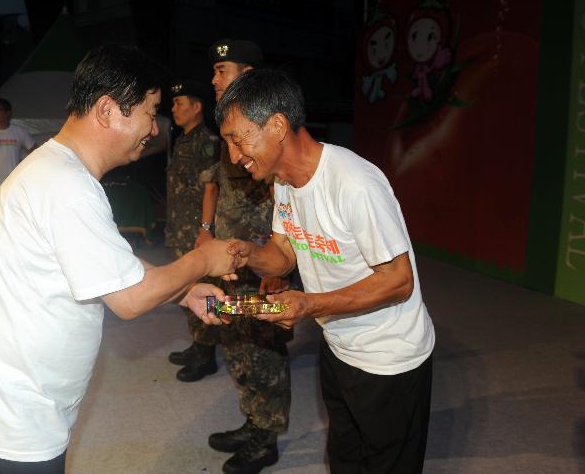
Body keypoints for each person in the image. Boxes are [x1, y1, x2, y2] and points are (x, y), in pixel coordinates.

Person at [0, 44, 238, 474]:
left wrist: (182, 293)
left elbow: (109, 266)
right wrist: (204, 260)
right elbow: (129, 299)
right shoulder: (67, 185)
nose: (154, 127)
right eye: (150, 110)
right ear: (109, 110)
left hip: (1, 410)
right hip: (6, 425)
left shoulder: (57, 171)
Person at [219, 69, 436, 474]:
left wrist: (308, 304)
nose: (234, 155)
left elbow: (399, 280)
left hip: (389, 358)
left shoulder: (355, 184)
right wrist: (246, 253)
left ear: (278, 125)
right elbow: (284, 252)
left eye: (238, 138)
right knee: (345, 458)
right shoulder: (282, 181)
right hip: (338, 346)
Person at [195, 39, 292, 474]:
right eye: (213, 71)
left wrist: (281, 267)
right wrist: (206, 232)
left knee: (264, 346)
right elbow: (218, 181)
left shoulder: (265, 126)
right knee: (235, 339)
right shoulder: (227, 124)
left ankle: (266, 435)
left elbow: (284, 193)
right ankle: (251, 418)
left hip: (261, 259)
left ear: (248, 73)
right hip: (229, 260)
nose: (214, 79)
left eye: (223, 69)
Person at [164, 80, 221, 381]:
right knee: (186, 291)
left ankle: (207, 354)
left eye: (179, 103)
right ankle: (197, 344)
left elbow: (211, 188)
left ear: (197, 107)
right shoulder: (183, 139)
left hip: (196, 234)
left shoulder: (207, 141)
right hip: (180, 230)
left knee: (204, 290)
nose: (173, 109)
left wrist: (205, 230)